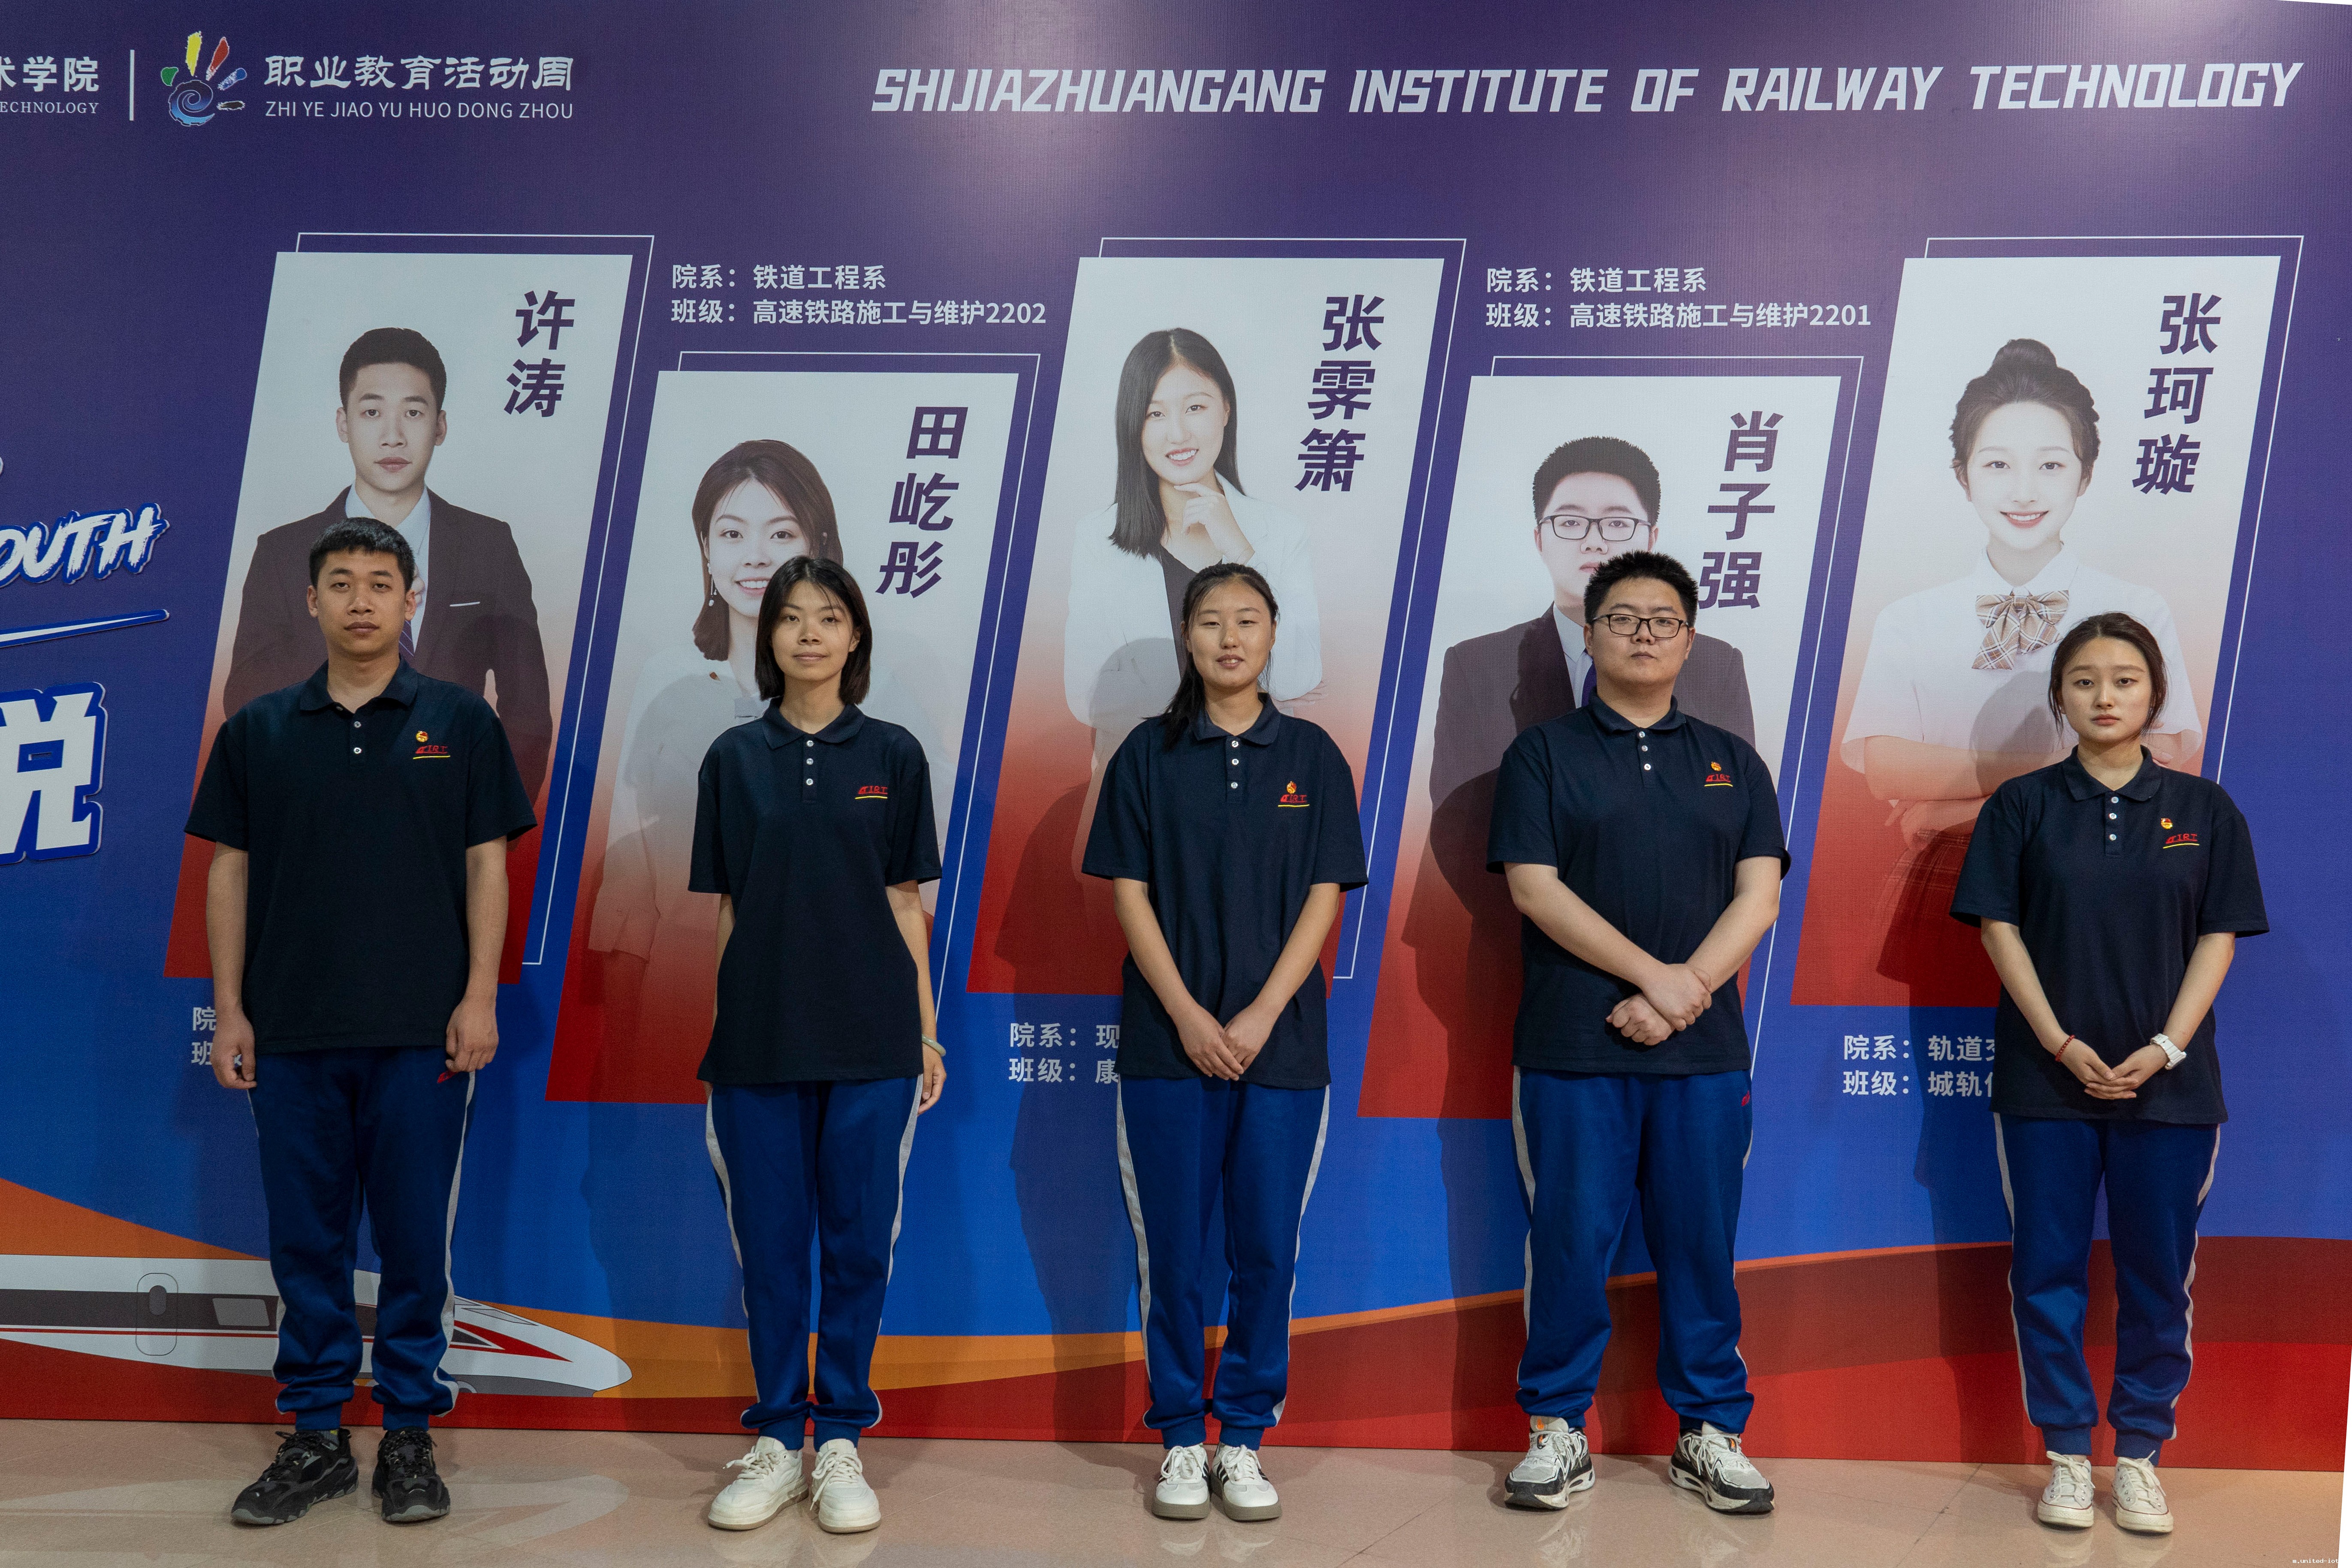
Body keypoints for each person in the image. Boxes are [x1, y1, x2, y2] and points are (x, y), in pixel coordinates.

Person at [187, 517, 536, 1526]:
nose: (360, 599)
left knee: (416, 1244)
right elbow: (228, 871)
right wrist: (232, 1009)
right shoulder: (258, 730)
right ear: (311, 600)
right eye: (340, 582)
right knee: (308, 1242)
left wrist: (478, 996)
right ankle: (315, 1436)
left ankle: (411, 1434)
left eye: (381, 582)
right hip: (293, 1032)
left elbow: (487, 864)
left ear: (411, 599)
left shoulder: (459, 721)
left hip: (424, 1035)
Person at [1950, 612, 2264, 1538]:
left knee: (2157, 1276)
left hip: (2170, 1090)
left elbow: (2218, 938)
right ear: (2060, 696)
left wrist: (2166, 1046)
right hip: (2046, 1083)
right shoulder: (2022, 806)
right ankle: (2063, 1454)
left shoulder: (2205, 810)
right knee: (2046, 1269)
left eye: (2124, 679)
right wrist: (2057, 1041)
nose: (2104, 696)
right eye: (2083, 680)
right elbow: (1998, 929)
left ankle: (2137, 1456)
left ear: (2153, 694)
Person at [1488, 551, 1785, 1516]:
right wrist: (1654, 977)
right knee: (1569, 1241)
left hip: (1703, 1054)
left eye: (1663, 620)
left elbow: (1759, 896)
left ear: (1689, 639)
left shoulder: (1733, 761)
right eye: (1622, 618)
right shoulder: (1543, 755)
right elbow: (1534, 889)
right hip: (1574, 1049)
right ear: (1589, 634)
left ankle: (1710, 1431)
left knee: (1701, 1245)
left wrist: (1681, 991)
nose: (1643, 634)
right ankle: (1555, 1428)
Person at [1083, 562, 1366, 1523]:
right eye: (1211, 621)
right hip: (1168, 1048)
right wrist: (1189, 1016)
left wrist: (1257, 1014)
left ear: (1274, 633)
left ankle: (1242, 1434)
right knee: (1172, 1251)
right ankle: (1177, 1434)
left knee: (1266, 1251)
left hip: (1281, 1049)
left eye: (1247, 620)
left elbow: (1325, 896)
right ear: (1187, 635)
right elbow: (1129, 896)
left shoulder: (1312, 756)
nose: (1230, 638)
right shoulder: (1147, 754)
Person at [690, 555, 947, 1537]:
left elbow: (905, 903)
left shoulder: (893, 754)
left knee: (856, 1243)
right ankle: (775, 1440)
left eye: (828, 617)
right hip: (758, 1043)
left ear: (854, 637)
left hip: (872, 1042)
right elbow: (730, 908)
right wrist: (729, 1020)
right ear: (769, 637)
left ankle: (837, 1438)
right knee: (769, 1250)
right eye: (791, 617)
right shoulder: (733, 758)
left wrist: (925, 1029)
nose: (809, 633)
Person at [583, 440, 946, 1098]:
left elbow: (906, 891)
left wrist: (922, 1028)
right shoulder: (667, 679)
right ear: (705, 549)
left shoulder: (890, 706)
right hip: (691, 981)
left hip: (852, 996)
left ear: (818, 541)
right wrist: (628, 1012)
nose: (754, 555)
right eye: (731, 533)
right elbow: (630, 875)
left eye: (780, 533)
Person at [1842, 339, 2202, 984]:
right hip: (1950, 875)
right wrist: (2057, 767)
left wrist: (1958, 809)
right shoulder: (1908, 617)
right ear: (1963, 475)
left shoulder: (2135, 607)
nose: (2025, 490)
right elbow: (1886, 766)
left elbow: (2162, 753)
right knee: (1950, 1042)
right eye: (1998, 464)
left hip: (2103, 870)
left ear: (2085, 475)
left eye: (2052, 465)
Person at [224, 327, 553, 799]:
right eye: (372, 412)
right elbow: (247, 703)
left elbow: (529, 712)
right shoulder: (283, 553)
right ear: (344, 424)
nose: (393, 437)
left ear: (440, 426)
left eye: (413, 413)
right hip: (316, 810)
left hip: (447, 815)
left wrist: (489, 822)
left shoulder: (488, 546)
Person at [1064, 329, 1324, 826]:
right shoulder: (1098, 538)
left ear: (1226, 408)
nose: (1178, 434)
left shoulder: (1280, 532)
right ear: (1133, 426)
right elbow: (1087, 694)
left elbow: (1297, 676)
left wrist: (1242, 552)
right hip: (1141, 798)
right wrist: (1233, 706)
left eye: (1195, 407)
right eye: (1155, 414)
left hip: (1257, 796)